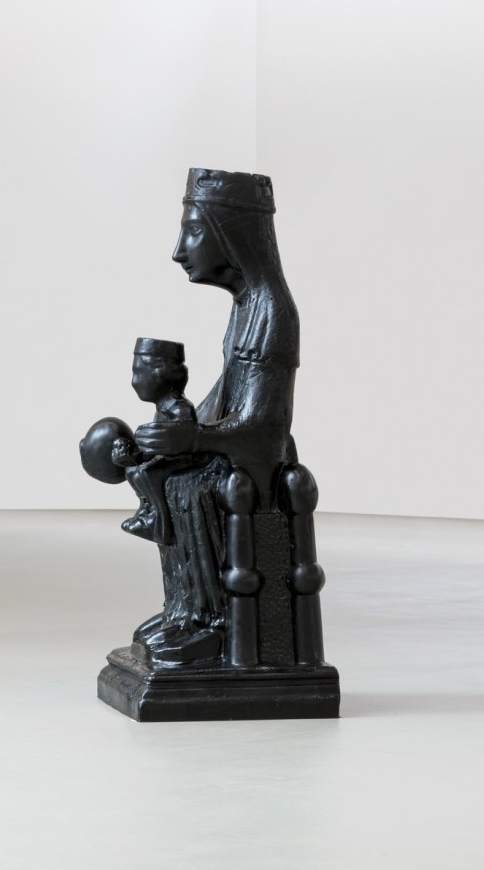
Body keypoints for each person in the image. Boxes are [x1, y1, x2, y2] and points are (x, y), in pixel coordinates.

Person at [132, 169, 301, 656]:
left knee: (187, 486)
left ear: (232, 236)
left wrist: (197, 440)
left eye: (193, 231)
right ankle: (183, 610)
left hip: (258, 462)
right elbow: (227, 395)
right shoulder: (247, 306)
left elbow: (265, 426)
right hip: (237, 448)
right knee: (160, 468)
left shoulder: (273, 311)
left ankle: (211, 623)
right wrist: (177, 432)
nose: (179, 251)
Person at [111, 337, 196, 546]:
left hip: (184, 458)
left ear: (161, 373)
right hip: (169, 458)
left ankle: (160, 522)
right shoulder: (162, 409)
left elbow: (185, 442)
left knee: (147, 473)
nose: (134, 382)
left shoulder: (179, 408)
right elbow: (156, 449)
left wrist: (148, 458)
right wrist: (134, 457)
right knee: (133, 470)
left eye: (138, 373)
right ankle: (146, 511)